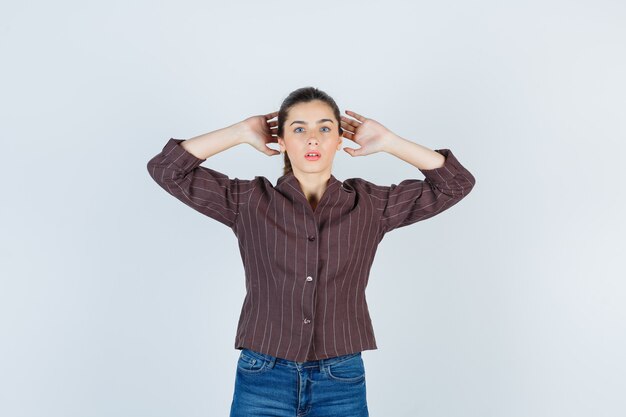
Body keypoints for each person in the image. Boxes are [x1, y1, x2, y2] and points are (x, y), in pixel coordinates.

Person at [146, 86, 476, 416]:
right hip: (263, 375)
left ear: (339, 139)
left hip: (341, 378)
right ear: (281, 140)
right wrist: (239, 132)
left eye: (324, 128)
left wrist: (390, 142)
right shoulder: (249, 201)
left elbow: (456, 183)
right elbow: (166, 169)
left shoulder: (370, 205)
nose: (312, 139)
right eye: (299, 129)